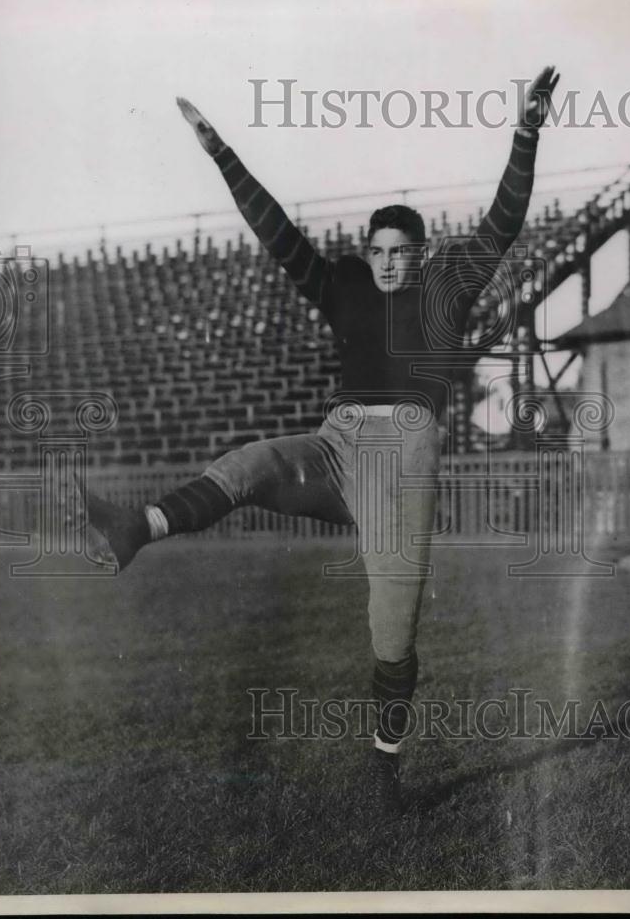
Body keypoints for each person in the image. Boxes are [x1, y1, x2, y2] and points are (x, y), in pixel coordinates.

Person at [80, 66, 560, 818]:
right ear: (365, 253)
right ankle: (137, 526)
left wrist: (526, 129)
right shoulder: (342, 284)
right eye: (379, 251)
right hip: (337, 448)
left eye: (403, 251)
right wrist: (219, 152)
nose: (390, 262)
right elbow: (275, 231)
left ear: (422, 251)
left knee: (391, 633)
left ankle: (386, 772)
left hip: (403, 463)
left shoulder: (446, 290)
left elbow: (504, 218)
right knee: (253, 461)